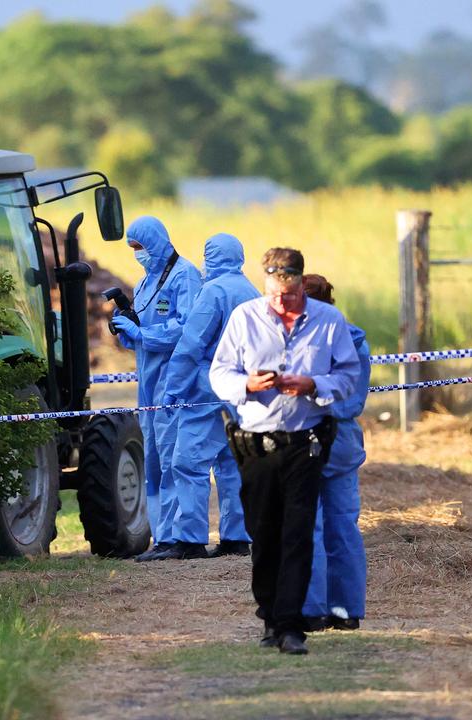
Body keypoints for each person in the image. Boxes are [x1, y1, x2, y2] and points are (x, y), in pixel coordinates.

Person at [209, 248, 362, 656]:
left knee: (298, 533)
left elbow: (349, 375)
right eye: (275, 295)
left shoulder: (329, 322)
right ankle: (270, 616)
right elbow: (219, 373)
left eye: (289, 295)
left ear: (300, 285)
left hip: (304, 443)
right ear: (266, 285)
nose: (281, 303)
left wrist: (313, 385)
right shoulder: (245, 318)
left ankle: (292, 626)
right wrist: (246, 386)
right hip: (256, 445)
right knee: (264, 534)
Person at [158, 233, 260, 560]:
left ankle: (189, 539)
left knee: (188, 462)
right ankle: (236, 537)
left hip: (207, 389)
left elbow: (191, 345)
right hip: (244, 389)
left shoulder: (213, 291)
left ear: (211, 256)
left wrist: (174, 389)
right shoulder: (252, 291)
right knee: (234, 462)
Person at [110, 216, 202, 561]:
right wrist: (129, 331)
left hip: (173, 380)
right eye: (133, 248)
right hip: (148, 380)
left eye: (141, 247)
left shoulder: (186, 276)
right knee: (154, 457)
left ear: (157, 241)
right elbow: (146, 333)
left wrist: (144, 335)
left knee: (173, 455)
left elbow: (187, 328)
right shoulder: (145, 282)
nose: (138, 254)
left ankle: (179, 537)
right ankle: (162, 536)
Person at [298, 275, 371, 632]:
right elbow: (352, 399)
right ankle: (347, 610)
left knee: (308, 526)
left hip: (303, 442)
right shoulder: (354, 339)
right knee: (344, 527)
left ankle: (312, 611)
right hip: (343, 444)